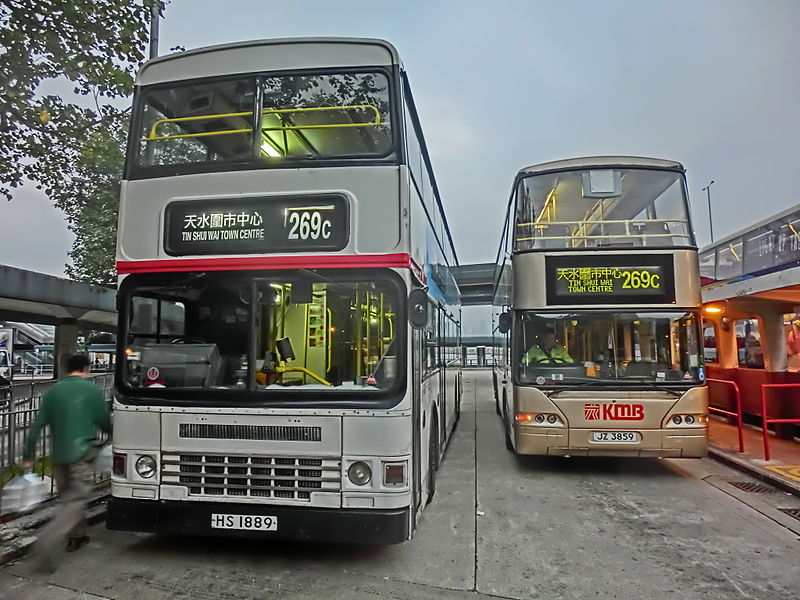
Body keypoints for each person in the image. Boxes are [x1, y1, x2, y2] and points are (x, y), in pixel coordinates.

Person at [22, 353, 111, 572]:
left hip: (59, 457)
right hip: (80, 455)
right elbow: (105, 423)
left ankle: (77, 535)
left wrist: (28, 457)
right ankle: (47, 540)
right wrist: (114, 437)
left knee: (68, 498)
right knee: (77, 499)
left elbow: (35, 429)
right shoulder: (91, 391)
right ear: (86, 368)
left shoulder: (53, 392)